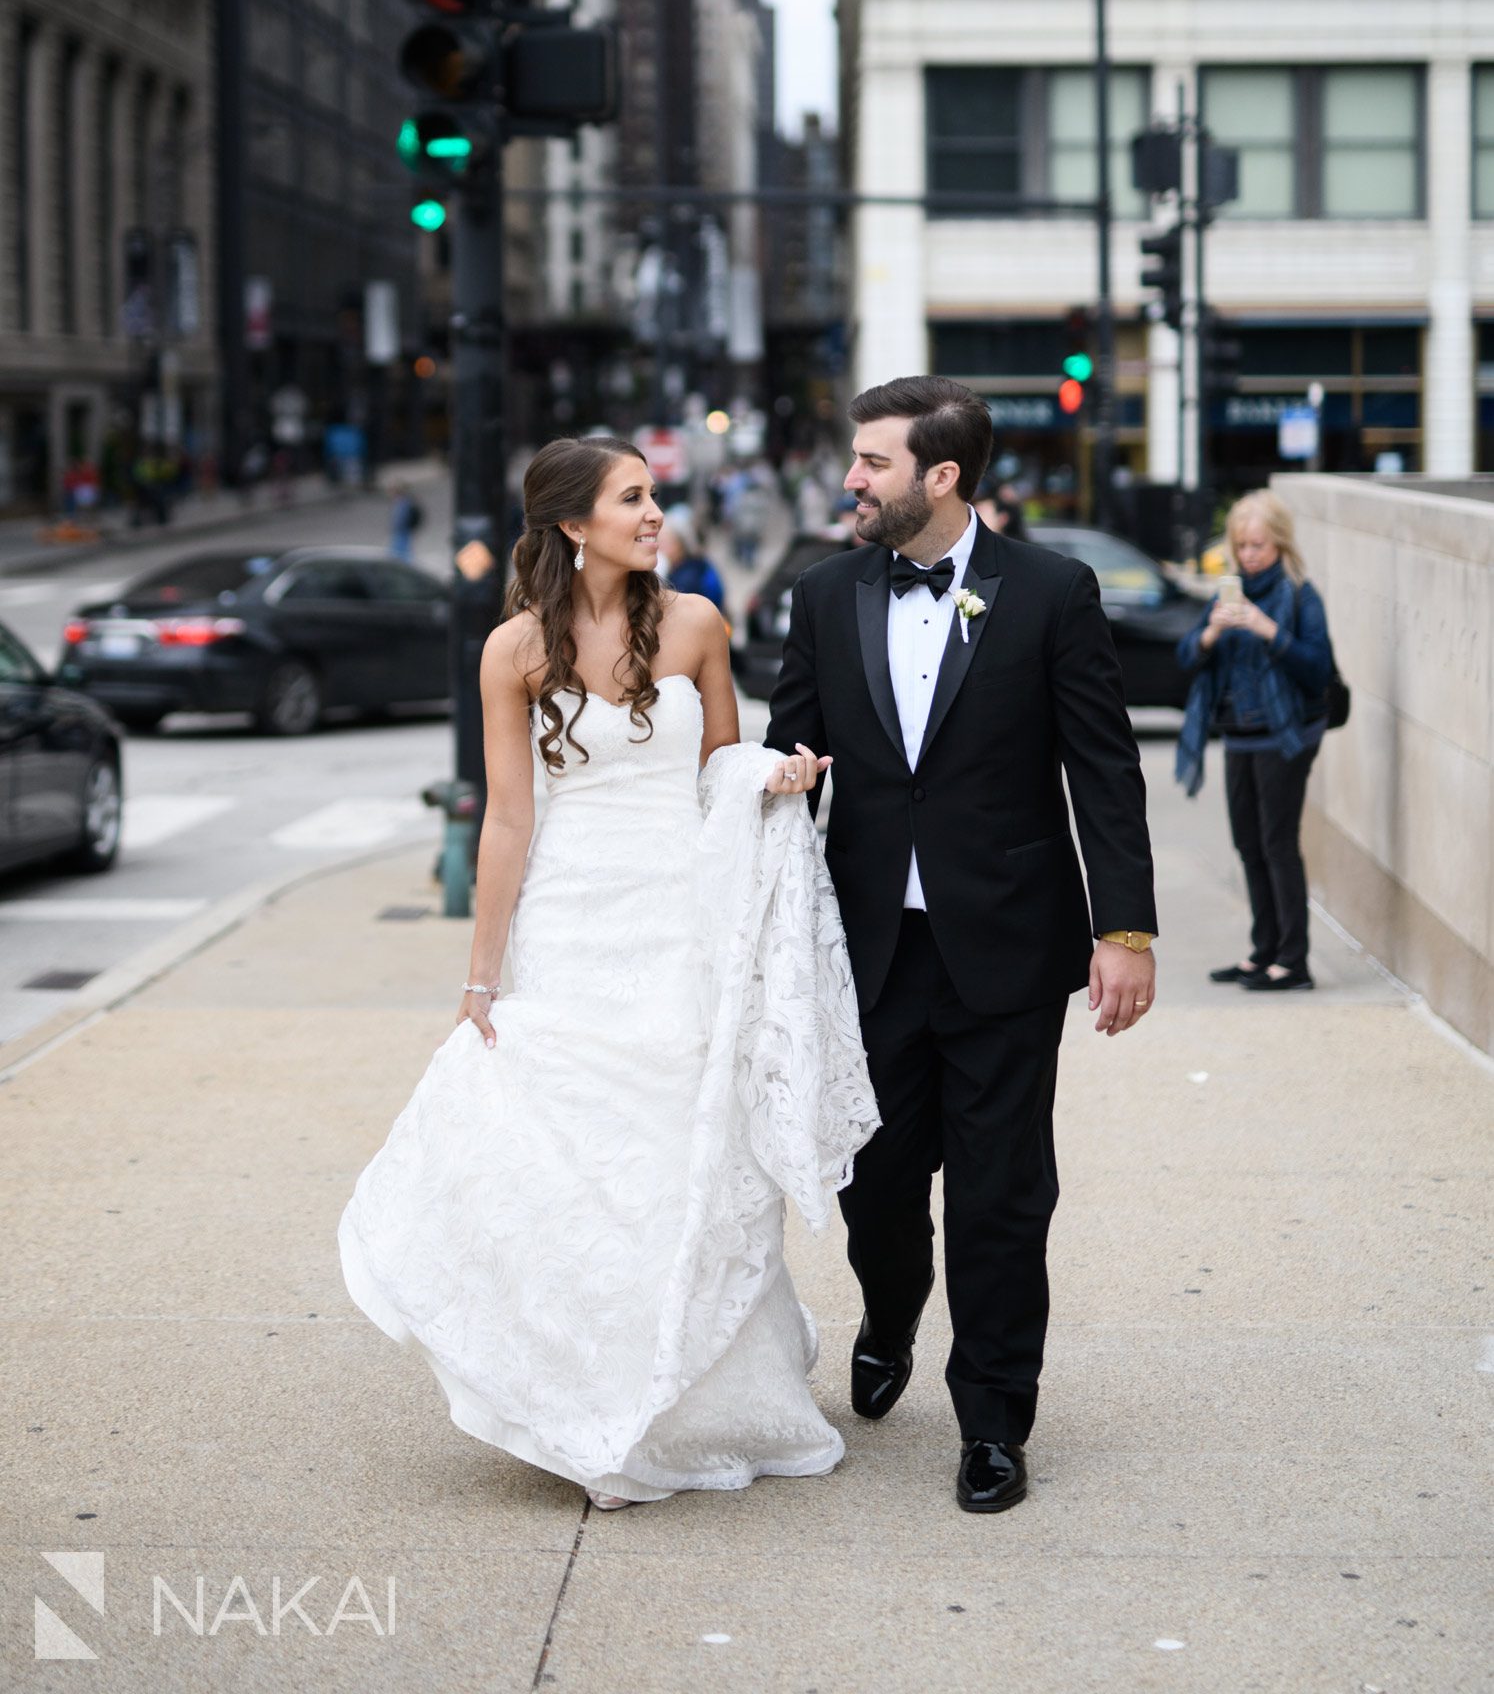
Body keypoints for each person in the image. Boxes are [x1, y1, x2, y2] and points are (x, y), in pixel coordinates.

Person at [340, 436, 879, 1510]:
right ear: (573, 524)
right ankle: (582, 1390)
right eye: (632, 498)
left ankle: (694, 1399)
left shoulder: (696, 623)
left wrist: (777, 773)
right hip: (569, 929)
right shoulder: (513, 650)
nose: (655, 513)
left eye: (653, 494)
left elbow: (722, 765)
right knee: (575, 1168)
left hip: (679, 921)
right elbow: (508, 817)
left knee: (680, 1158)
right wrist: (481, 979)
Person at [766, 376, 1157, 1515]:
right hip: (870, 948)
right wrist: (770, 773)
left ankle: (993, 1416)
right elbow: (792, 749)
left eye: (872, 462)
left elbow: (1104, 768)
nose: (851, 478)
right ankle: (892, 1306)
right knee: (877, 1181)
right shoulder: (824, 593)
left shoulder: (1051, 590)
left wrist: (1122, 928)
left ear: (941, 476)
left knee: (1001, 1192)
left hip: (1010, 949)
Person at [1175, 490, 1334, 993]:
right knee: (1249, 845)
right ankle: (1264, 950)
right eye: (1241, 546)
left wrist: (1270, 631)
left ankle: (1294, 960)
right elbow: (1184, 658)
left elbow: (1319, 670)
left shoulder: (1299, 596)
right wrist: (1209, 635)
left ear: (1281, 544)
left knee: (1277, 844)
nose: (1248, 555)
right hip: (1238, 737)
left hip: (1285, 737)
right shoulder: (1231, 592)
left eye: (1258, 546)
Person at [657, 504, 725, 611]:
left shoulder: (688, 577)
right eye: (658, 540)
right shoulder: (694, 564)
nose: (659, 546)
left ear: (680, 545)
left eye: (665, 542)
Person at [387, 482, 424, 561]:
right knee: (402, 549)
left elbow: (400, 518)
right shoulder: (404, 501)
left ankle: (403, 564)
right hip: (403, 530)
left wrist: (396, 527)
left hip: (401, 530)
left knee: (399, 550)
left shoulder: (402, 503)